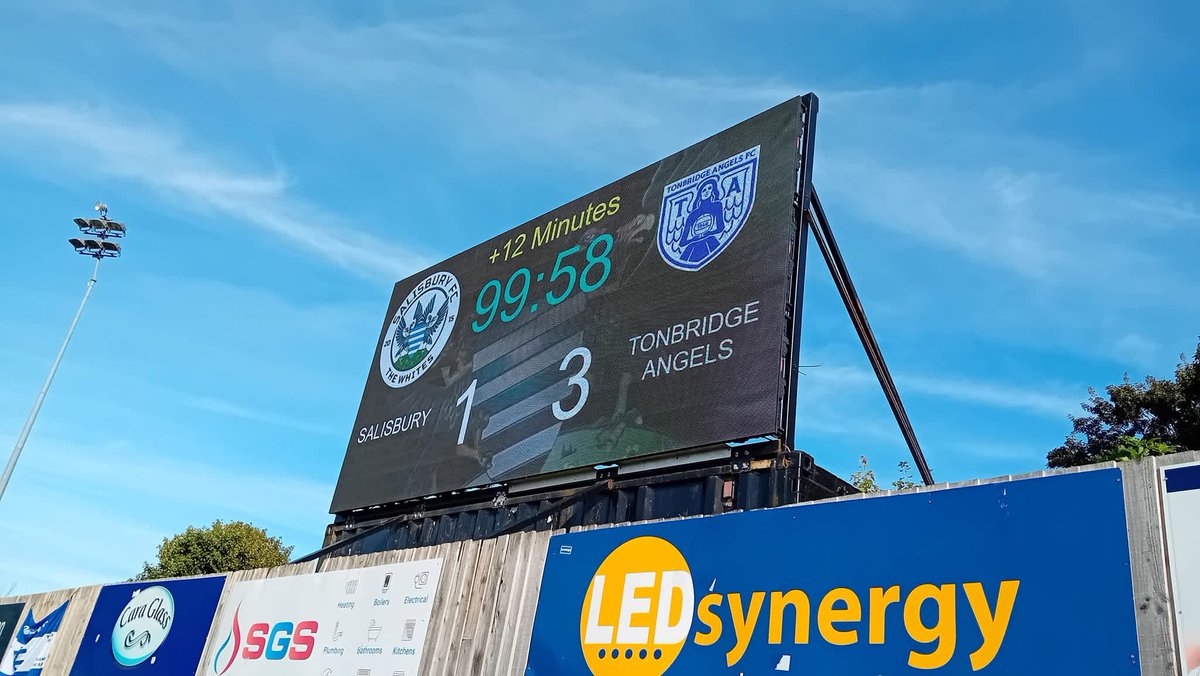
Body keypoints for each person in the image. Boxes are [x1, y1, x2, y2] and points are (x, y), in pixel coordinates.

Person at [678, 177, 725, 263]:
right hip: (694, 246)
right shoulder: (692, 214)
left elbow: (721, 227)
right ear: (700, 193)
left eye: (709, 188)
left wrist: (708, 233)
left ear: (713, 191)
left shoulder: (717, 205)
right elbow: (682, 242)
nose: (706, 191)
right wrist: (694, 239)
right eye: (704, 190)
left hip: (710, 241)